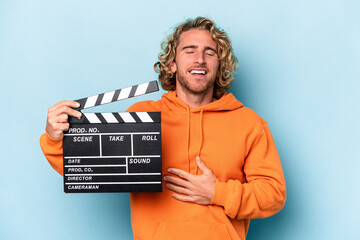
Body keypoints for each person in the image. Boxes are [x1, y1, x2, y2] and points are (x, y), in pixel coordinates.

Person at [40, 17, 286, 240]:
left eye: (210, 53)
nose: (200, 59)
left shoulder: (249, 122)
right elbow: (86, 166)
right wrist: (54, 137)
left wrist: (217, 193)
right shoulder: (142, 115)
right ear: (172, 64)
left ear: (220, 66)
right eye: (190, 51)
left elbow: (273, 194)